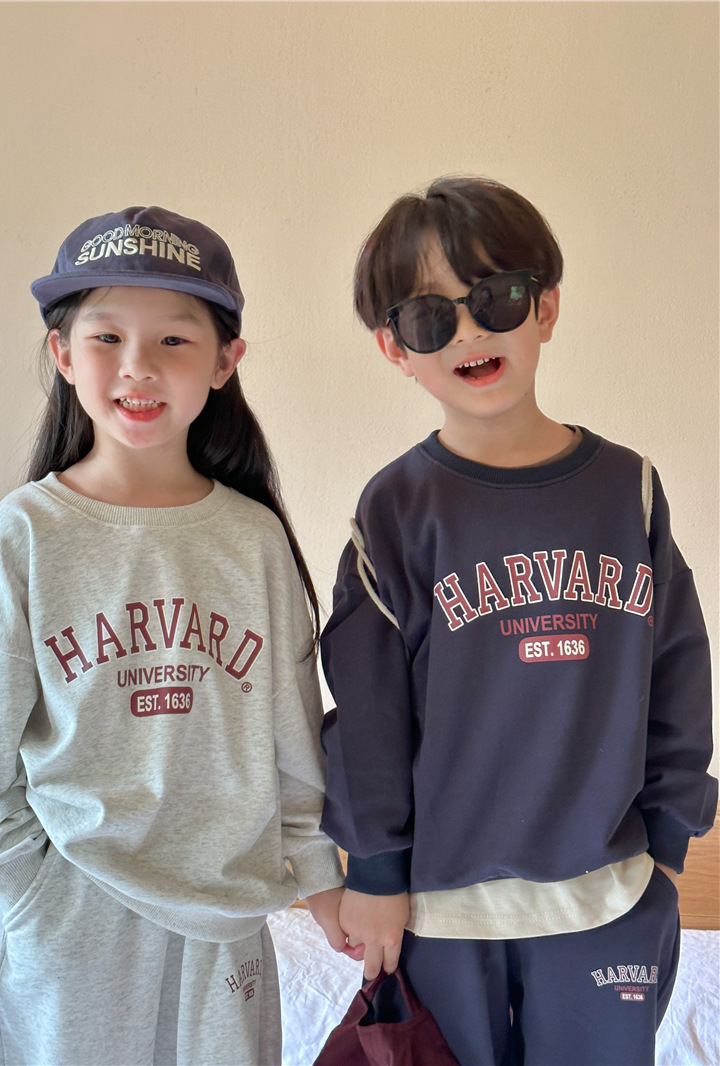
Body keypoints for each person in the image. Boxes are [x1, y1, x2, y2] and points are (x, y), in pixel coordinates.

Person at [320, 177, 717, 1066]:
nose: (468, 331)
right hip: (440, 905)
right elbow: (369, 714)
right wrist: (374, 872)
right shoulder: (395, 510)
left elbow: (679, 668)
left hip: (608, 891)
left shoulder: (628, 489)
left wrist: (669, 836)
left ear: (546, 308)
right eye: (431, 317)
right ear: (394, 348)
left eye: (495, 298)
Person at [0, 205, 348, 1066]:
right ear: (62, 353)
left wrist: (316, 874)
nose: (138, 365)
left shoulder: (252, 539)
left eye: (173, 339)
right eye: (107, 337)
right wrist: (21, 880)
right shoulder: (27, 532)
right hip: (69, 906)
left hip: (224, 912)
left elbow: (293, 729)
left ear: (225, 361)